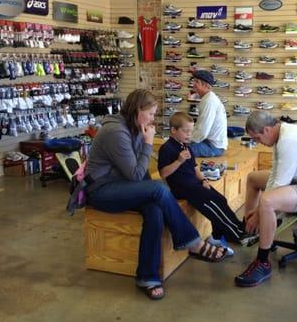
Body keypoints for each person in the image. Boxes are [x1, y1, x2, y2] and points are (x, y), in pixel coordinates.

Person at [85, 89, 227, 300]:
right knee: (159, 189)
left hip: (121, 186)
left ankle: (147, 277)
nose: (153, 119)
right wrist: (148, 142)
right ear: (137, 110)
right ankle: (193, 242)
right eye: (150, 114)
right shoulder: (116, 132)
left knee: (155, 210)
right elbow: (135, 174)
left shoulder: (133, 128)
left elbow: (137, 173)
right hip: (102, 190)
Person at [234, 111, 297, 287]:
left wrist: (259, 213)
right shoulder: (281, 134)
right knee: (253, 178)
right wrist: (254, 215)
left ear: (266, 130)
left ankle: (263, 263)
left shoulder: (288, 140)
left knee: (267, 202)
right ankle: (249, 231)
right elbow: (275, 174)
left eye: (257, 138)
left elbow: (279, 184)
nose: (258, 143)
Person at [158, 112, 256, 255]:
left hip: (194, 184)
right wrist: (178, 161)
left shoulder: (185, 146)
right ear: (173, 130)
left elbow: (194, 167)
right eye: (186, 131)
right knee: (213, 202)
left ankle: (226, 233)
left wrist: (203, 180)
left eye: (191, 131)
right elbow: (163, 173)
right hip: (182, 188)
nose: (189, 135)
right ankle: (237, 234)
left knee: (220, 199)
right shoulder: (167, 148)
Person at [189, 70, 228, 157]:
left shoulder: (208, 102)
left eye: (197, 82)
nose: (193, 84)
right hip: (211, 143)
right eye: (194, 81)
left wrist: (187, 139)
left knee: (179, 151)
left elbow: (203, 132)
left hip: (213, 147)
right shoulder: (208, 98)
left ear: (206, 85)